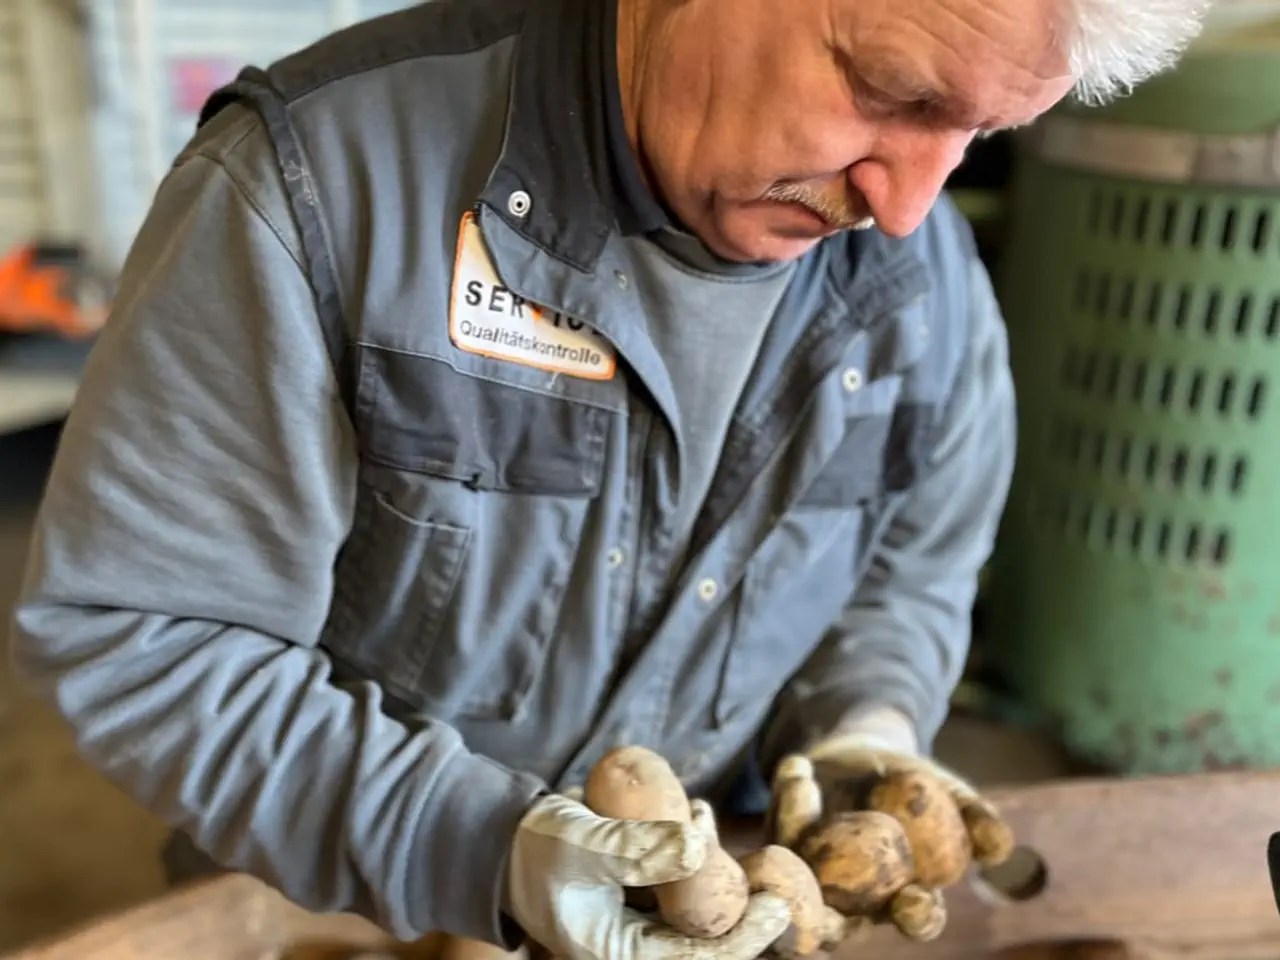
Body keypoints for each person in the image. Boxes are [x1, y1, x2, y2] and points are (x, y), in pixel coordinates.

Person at [9, 0, 1207, 957]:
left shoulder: (927, 292)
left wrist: (866, 725)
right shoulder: (318, 191)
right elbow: (148, 639)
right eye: (890, 91)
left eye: (982, 135)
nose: (905, 209)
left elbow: (910, 573)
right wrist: (482, 848)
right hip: (339, 913)